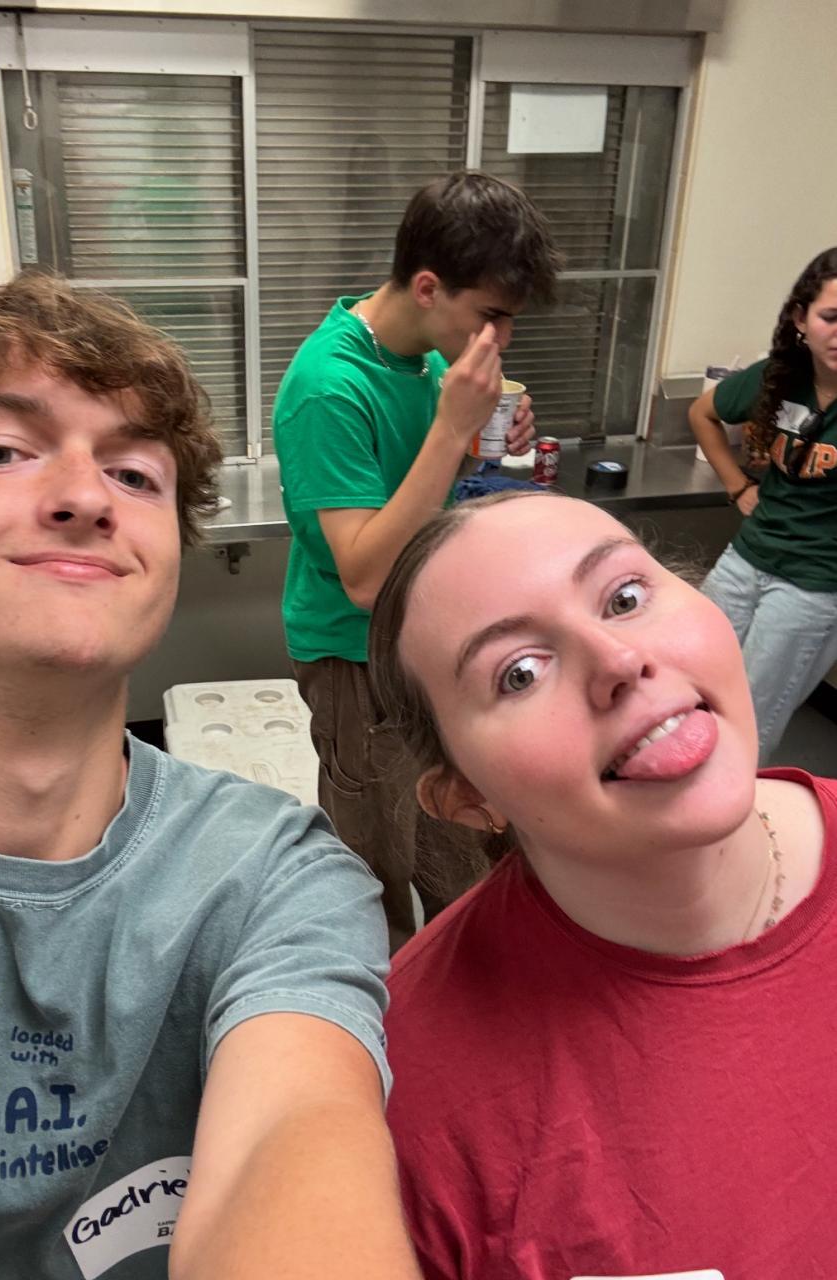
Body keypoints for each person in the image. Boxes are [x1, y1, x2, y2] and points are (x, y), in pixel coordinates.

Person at [0, 273, 421, 1280]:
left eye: (133, 474)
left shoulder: (274, 877)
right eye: (1, 450)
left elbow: (297, 1131)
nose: (85, 497)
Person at [367, 489, 837, 1279]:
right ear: (467, 798)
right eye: (518, 674)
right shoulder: (409, 1086)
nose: (619, 661)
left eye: (623, 598)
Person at [273, 171, 562, 947]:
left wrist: (486, 435)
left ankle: (459, 983)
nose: (499, 340)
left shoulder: (430, 357)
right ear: (428, 287)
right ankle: (381, 1002)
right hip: (355, 657)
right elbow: (366, 576)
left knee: (457, 835)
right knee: (371, 864)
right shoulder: (329, 387)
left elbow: (428, 495)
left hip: (428, 642)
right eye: (490, 316)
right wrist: (450, 428)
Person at [690, 247, 837, 764]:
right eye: (830, 317)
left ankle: (729, 810)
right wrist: (737, 486)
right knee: (687, 679)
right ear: (801, 318)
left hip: (812, 586)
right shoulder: (778, 376)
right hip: (745, 559)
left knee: (747, 724)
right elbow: (702, 413)